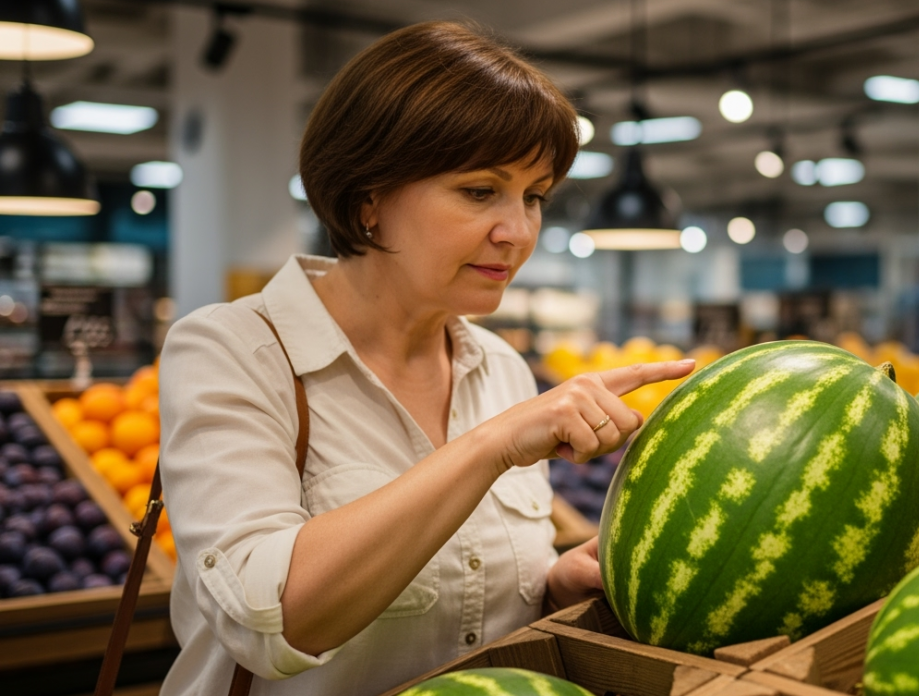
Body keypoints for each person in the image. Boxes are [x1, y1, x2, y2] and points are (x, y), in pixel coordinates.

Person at [157, 22, 693, 695]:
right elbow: (271, 622)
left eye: (534, 197)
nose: (518, 232)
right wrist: (490, 445)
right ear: (369, 197)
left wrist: (550, 589)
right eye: (480, 192)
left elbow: (467, 608)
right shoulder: (236, 350)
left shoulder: (502, 369)